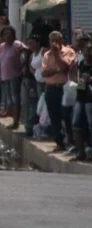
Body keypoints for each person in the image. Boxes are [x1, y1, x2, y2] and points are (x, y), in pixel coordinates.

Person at [42, 31, 78, 151]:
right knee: (54, 117)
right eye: (52, 41)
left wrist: (58, 54)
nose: (54, 43)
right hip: (50, 88)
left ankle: (70, 141)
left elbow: (66, 67)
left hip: (64, 89)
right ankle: (59, 142)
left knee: (66, 116)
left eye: (57, 40)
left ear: (62, 41)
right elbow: (44, 73)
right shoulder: (47, 54)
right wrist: (57, 70)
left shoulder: (69, 52)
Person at [0, 26, 27, 129]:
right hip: (5, 76)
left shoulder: (17, 44)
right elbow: (0, 61)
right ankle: (11, 117)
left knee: (15, 99)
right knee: (9, 100)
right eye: (5, 34)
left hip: (15, 75)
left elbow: (27, 52)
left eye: (10, 33)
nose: (8, 36)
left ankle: (16, 121)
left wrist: (22, 65)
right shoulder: (2, 46)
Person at [71, 32, 92, 161]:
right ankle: (81, 152)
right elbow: (80, 80)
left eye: (89, 51)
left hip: (90, 99)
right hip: (81, 97)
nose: (87, 53)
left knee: (90, 125)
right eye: (85, 51)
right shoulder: (82, 63)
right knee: (76, 124)